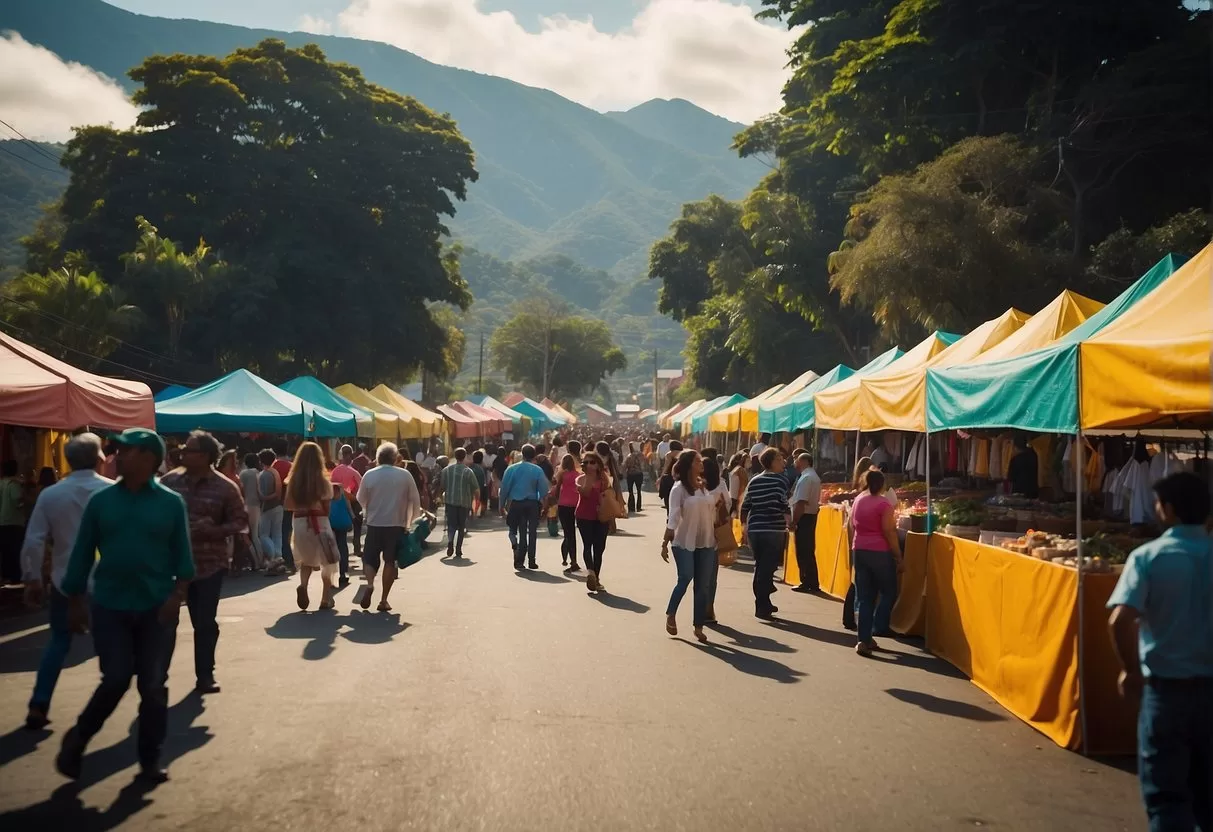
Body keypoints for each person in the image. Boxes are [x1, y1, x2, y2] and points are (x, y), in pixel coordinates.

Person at [56, 428, 194, 783]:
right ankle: (79, 737)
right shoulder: (101, 502)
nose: (117, 456)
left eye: (127, 452)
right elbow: (82, 553)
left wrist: (175, 599)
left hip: (156, 607)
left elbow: (183, 559)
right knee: (116, 678)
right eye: (117, 451)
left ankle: (150, 760)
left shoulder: (169, 503)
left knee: (152, 685)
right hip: (110, 604)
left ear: (149, 458)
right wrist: (74, 600)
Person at [1107, 471, 1212, 832]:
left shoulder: (1148, 557)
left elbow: (1120, 620)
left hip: (1167, 692)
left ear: (1168, 509)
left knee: (1167, 798)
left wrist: (1130, 671)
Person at [20, 433, 113, 730]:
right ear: (100, 459)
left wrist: (32, 579)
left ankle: (39, 702)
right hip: (107, 584)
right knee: (111, 647)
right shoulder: (113, 493)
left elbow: (34, 541)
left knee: (58, 642)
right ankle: (104, 705)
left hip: (64, 581)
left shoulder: (51, 494)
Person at [161, 431, 248, 694]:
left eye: (190, 450)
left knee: (204, 622)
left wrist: (214, 528)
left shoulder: (225, 487)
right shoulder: (169, 481)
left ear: (206, 456)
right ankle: (157, 675)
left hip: (209, 563)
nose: (183, 453)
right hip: (170, 565)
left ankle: (205, 674)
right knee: (165, 621)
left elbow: (240, 522)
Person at [661, 450, 723, 643]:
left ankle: (698, 626)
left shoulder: (704, 487)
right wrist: (665, 541)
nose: (701, 463)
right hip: (684, 541)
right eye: (697, 461)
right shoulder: (678, 489)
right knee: (685, 578)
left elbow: (712, 512)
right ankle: (671, 613)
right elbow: (673, 516)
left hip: (706, 541)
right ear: (689, 465)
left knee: (703, 585)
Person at [357, 442, 421, 612]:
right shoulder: (404, 475)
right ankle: (383, 599)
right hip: (395, 524)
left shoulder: (369, 475)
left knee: (369, 558)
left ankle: (370, 585)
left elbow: (360, 499)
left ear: (377, 457)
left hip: (374, 523)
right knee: (389, 561)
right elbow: (415, 499)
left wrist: (370, 509)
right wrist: (410, 520)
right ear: (395, 458)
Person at [850, 469, 902, 657]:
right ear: (881, 485)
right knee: (888, 591)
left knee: (865, 597)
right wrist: (898, 556)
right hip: (879, 552)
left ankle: (863, 639)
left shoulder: (858, 500)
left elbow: (852, 525)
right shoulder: (884, 504)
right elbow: (889, 531)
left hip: (860, 549)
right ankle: (879, 625)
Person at [284, 442, 341, 610]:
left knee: (306, 560)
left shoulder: (292, 481)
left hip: (300, 523)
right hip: (320, 523)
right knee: (328, 561)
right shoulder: (324, 482)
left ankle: (303, 585)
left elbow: (288, 506)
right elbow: (327, 509)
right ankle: (325, 598)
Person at [740, 448, 790, 620]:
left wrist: (744, 525)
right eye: (779, 458)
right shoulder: (780, 481)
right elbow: (784, 504)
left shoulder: (754, 480)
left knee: (761, 566)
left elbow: (745, 505)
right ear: (772, 462)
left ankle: (764, 602)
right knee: (767, 568)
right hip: (773, 529)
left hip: (755, 529)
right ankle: (761, 604)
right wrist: (790, 523)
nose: (783, 461)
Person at [500, 444, 550, 570]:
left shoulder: (512, 469)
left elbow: (504, 488)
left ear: (522, 454)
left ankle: (520, 561)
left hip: (517, 504)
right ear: (534, 455)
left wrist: (501, 505)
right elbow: (544, 491)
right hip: (532, 504)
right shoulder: (537, 470)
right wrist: (545, 507)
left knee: (522, 531)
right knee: (532, 532)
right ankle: (532, 560)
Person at [576, 451, 611, 592]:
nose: (590, 465)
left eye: (593, 462)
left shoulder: (604, 479)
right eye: (586, 462)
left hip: (601, 517)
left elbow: (609, 497)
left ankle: (596, 577)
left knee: (599, 548)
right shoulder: (580, 479)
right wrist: (589, 477)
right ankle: (591, 572)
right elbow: (585, 493)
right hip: (584, 516)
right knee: (587, 545)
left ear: (598, 464)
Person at [790, 453, 822, 594]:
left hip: (805, 516)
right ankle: (811, 580)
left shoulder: (807, 478)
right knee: (808, 549)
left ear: (804, 461)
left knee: (803, 550)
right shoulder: (812, 476)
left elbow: (801, 502)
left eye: (797, 459)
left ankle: (806, 580)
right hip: (810, 516)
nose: (795, 461)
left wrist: (794, 520)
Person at [440, 447, 478, 558]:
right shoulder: (468, 471)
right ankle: (458, 549)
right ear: (465, 456)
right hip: (464, 503)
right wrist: (476, 502)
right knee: (461, 526)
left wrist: (438, 497)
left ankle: (451, 541)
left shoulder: (446, 470)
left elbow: (442, 486)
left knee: (451, 525)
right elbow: (476, 489)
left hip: (450, 502)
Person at [330, 444, 363, 564]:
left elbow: (331, 487)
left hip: (338, 502)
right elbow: (361, 487)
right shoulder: (353, 472)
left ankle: (339, 552)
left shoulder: (335, 471)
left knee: (339, 531)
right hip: (353, 501)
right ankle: (357, 546)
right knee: (357, 525)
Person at [257, 449, 285, 569]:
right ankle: (279, 556)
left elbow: (262, 494)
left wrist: (264, 497)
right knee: (277, 533)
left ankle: (273, 555)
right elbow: (278, 492)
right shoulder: (275, 472)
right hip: (278, 506)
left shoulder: (264, 474)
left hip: (267, 507)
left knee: (263, 534)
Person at [0, 459, 26, 584]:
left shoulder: (1, 483)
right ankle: (16, 577)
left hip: (2, 522)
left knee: (5, 551)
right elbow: (18, 501)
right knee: (15, 550)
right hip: (15, 521)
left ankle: (5, 575)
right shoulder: (14, 484)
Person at [554, 452, 581, 570]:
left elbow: (557, 490)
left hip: (563, 505)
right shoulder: (578, 475)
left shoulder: (562, 475)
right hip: (575, 505)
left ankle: (565, 559)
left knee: (567, 533)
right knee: (572, 533)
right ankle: (573, 561)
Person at [271, 439, 295, 572]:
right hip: (289, 504)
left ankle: (285, 560)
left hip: (275, 504)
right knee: (286, 532)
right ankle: (288, 560)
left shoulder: (273, 466)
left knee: (278, 533)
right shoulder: (291, 466)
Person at [238, 453, 265, 570]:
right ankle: (259, 560)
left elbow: (240, 489)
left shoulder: (243, 473)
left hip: (246, 505)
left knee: (247, 535)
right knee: (255, 534)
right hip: (257, 505)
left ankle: (256, 561)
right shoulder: (258, 473)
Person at [624, 442, 645, 513]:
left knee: (631, 491)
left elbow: (626, 465)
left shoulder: (629, 456)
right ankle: (639, 507)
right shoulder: (640, 455)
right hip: (639, 474)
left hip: (630, 474)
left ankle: (631, 507)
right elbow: (643, 464)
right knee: (639, 491)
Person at [727, 452, 750, 517]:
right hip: (737, 500)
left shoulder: (736, 469)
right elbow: (742, 487)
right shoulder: (740, 470)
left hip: (733, 499)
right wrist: (739, 503)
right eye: (747, 459)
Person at [470, 449, 488, 518]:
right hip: (481, 487)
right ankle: (481, 512)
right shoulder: (483, 468)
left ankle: (473, 512)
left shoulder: (470, 467)